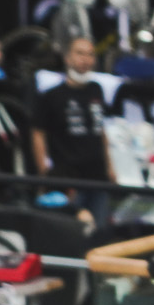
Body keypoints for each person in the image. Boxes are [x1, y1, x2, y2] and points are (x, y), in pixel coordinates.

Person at [33, 36, 112, 227]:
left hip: (98, 176)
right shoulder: (52, 95)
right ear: (67, 58)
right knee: (73, 233)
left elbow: (101, 129)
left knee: (99, 233)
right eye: (80, 53)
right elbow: (38, 133)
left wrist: (110, 166)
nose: (85, 59)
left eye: (90, 54)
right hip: (69, 179)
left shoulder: (97, 90)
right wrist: (44, 172)